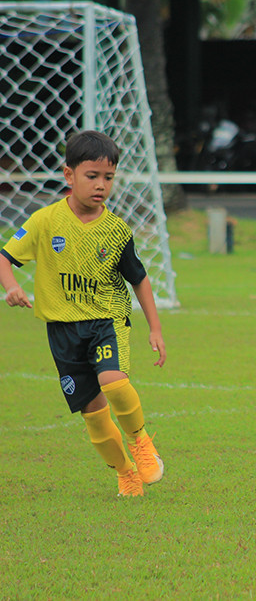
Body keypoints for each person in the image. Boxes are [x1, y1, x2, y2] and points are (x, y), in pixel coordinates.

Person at [0, 130, 166, 498]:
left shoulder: (116, 230)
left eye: (109, 177)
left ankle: (140, 441)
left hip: (106, 319)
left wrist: (155, 328)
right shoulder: (45, 221)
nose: (101, 185)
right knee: (93, 412)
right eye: (92, 176)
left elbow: (139, 279)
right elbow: (4, 257)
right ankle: (125, 473)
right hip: (62, 330)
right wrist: (11, 287)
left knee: (113, 381)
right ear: (69, 175)